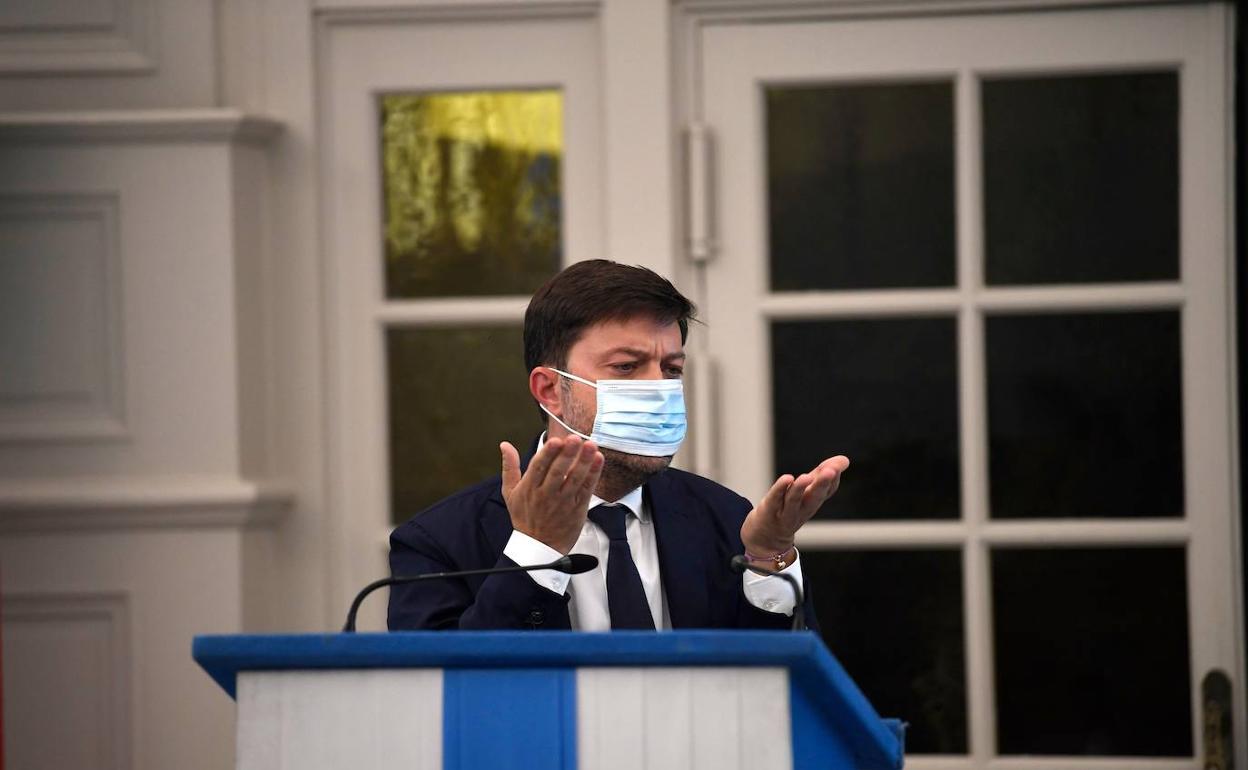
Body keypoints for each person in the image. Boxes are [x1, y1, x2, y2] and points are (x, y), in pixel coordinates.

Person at [388, 259, 849, 631]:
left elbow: (771, 695)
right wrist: (536, 550)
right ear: (550, 390)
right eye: (627, 367)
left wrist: (768, 559)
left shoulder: (727, 519)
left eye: (671, 369)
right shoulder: (438, 543)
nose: (659, 388)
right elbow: (452, 698)